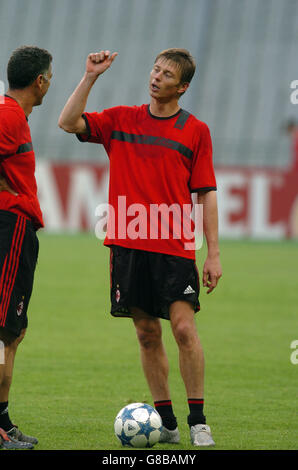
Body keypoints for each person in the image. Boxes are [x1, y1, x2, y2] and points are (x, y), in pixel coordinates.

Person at [59, 48, 222, 447]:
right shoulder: (120, 120)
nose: (156, 77)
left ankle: (198, 421)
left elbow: (206, 193)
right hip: (128, 246)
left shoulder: (195, 131)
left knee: (184, 328)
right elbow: (67, 122)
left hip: (176, 247)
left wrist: (213, 252)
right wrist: (90, 77)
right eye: (155, 69)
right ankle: (166, 424)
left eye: (167, 74)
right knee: (147, 334)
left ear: (182, 87)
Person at [0, 45, 52, 449]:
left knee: (12, 334)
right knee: (2, 333)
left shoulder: (14, 115)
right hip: (9, 225)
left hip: (17, 228)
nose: (50, 82)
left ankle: (2, 420)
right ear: (40, 81)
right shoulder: (8, 114)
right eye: (49, 76)